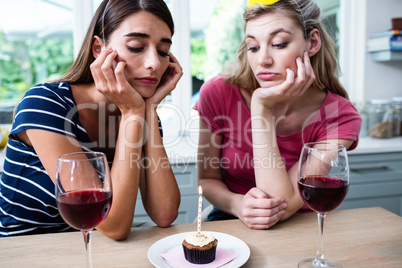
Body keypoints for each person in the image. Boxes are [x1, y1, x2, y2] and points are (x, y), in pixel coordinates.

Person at [0, 0, 182, 240]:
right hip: (28, 251)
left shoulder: (140, 111)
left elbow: (164, 214)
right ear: (98, 49)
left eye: (163, 51)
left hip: (93, 248)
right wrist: (132, 113)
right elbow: (112, 226)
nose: (155, 63)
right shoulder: (45, 103)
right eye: (136, 46)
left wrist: (148, 111)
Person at [194, 0, 362, 229]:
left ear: (312, 42)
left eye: (279, 44)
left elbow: (280, 204)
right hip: (230, 221)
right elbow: (207, 179)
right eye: (253, 47)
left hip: (299, 228)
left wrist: (261, 106)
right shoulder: (218, 93)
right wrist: (237, 204)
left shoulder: (339, 115)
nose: (263, 60)